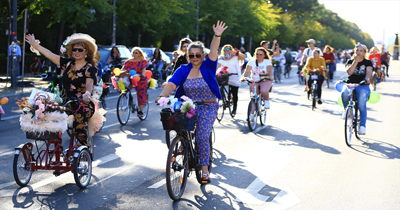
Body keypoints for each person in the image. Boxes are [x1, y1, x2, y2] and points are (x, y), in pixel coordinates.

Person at [156, 20, 228, 183]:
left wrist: (217, 35)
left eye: (198, 55)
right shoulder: (183, 69)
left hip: (208, 106)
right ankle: (183, 144)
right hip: (188, 105)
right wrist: (162, 96)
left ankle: (204, 169)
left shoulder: (208, 66)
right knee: (179, 128)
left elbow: (215, 49)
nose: (195, 58)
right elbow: (172, 84)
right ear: (187, 56)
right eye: (191, 55)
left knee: (202, 136)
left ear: (202, 56)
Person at [25, 33, 100, 145]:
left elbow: (89, 85)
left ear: (86, 52)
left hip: (82, 102)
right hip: (65, 101)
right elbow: (49, 54)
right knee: (50, 120)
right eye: (75, 49)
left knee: (78, 127)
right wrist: (35, 44)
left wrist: (87, 94)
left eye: (80, 50)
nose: (77, 52)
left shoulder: (90, 69)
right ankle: (56, 147)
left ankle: (84, 149)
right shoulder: (67, 63)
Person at [341, 43, 373, 135]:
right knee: (344, 93)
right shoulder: (350, 61)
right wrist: (355, 61)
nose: (358, 52)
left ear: (364, 53)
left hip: (362, 84)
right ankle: (346, 110)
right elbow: (350, 72)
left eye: (361, 50)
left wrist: (367, 78)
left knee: (361, 105)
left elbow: (369, 71)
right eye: (357, 50)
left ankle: (362, 126)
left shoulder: (368, 62)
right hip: (350, 83)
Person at [243, 47, 273, 117]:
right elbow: (247, 71)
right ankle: (251, 114)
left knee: (264, 90)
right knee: (253, 97)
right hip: (254, 80)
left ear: (264, 55)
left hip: (265, 80)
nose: (258, 55)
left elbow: (269, 71)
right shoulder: (251, 61)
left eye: (260, 54)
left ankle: (266, 100)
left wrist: (271, 77)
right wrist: (244, 77)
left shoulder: (267, 62)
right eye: (257, 54)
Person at [217, 44, 246, 116]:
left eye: (228, 49)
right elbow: (217, 66)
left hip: (234, 76)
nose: (226, 51)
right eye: (225, 49)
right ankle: (222, 99)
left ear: (231, 50)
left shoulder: (235, 57)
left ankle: (234, 108)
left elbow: (244, 57)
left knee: (234, 92)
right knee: (219, 86)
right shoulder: (221, 58)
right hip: (224, 76)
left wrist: (237, 52)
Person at [122, 47, 149, 116]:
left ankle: (140, 110)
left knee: (141, 93)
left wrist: (143, 74)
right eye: (133, 52)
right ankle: (130, 101)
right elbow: (123, 69)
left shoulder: (142, 61)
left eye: (136, 53)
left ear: (140, 54)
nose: (134, 54)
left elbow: (143, 69)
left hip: (140, 78)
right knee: (125, 88)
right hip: (131, 78)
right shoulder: (128, 61)